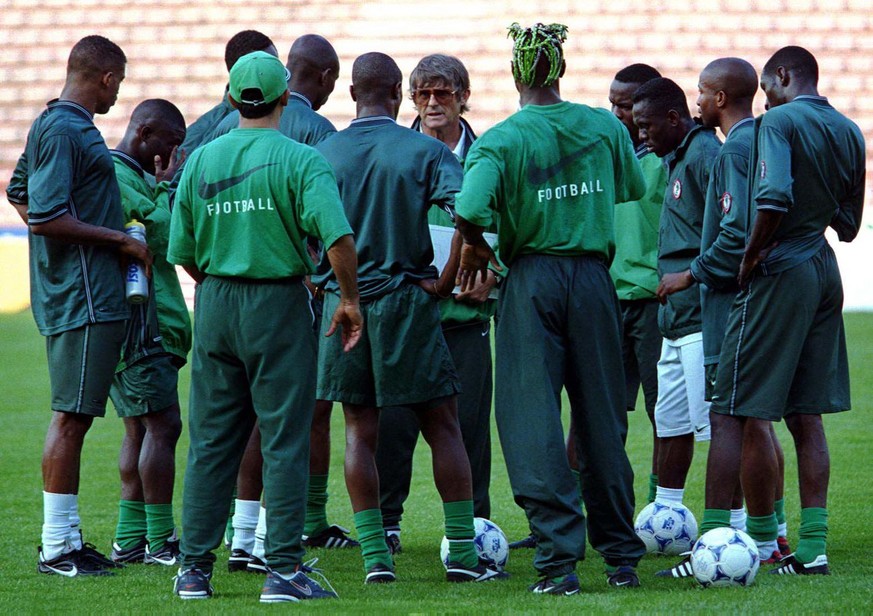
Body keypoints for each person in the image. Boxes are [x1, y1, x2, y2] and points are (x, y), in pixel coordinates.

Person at [454, 22, 647, 594]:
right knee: (602, 416)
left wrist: (483, 253)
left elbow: (468, 209)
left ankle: (559, 561)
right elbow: (627, 187)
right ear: (559, 68)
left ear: (516, 72)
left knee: (530, 417)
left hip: (531, 277)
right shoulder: (604, 126)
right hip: (593, 278)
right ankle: (621, 559)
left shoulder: (501, 139)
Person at [167, 51, 362, 602]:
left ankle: (193, 571)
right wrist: (349, 299)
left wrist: (217, 282)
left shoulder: (201, 161)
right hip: (277, 302)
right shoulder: (301, 158)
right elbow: (338, 239)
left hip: (215, 303)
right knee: (283, 437)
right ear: (284, 98)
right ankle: (282, 571)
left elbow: (182, 250)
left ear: (231, 99)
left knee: (209, 441)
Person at [314, 51, 505, 585]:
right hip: (407, 302)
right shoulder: (422, 150)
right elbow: (469, 211)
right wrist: (446, 281)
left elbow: (304, 235)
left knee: (359, 431)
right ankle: (464, 556)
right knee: (444, 425)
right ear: (399, 93)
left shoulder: (322, 154)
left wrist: (323, 281)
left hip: (344, 307)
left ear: (352, 94)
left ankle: (377, 558)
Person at [712, 46, 865, 576]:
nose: (764, 98)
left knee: (745, 408)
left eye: (767, 86)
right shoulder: (850, 130)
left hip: (782, 267)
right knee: (806, 416)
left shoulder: (776, 123)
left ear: (782, 77)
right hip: (825, 270)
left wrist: (752, 256)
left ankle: (756, 545)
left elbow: (773, 196)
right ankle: (814, 547)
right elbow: (849, 223)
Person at [6, 35, 152, 576]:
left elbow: (18, 191)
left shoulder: (52, 124)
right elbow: (43, 215)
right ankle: (56, 547)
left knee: (76, 416)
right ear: (107, 79)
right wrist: (118, 241)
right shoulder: (68, 129)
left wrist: (57, 257)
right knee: (70, 418)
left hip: (73, 289)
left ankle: (65, 539)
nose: (118, 94)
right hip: (86, 298)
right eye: (119, 84)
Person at [213, 34, 354, 578]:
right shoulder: (314, 135)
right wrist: (335, 288)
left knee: (222, 429)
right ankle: (286, 542)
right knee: (293, 423)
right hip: (291, 296)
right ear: (297, 84)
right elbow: (333, 225)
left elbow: (181, 224)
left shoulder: (211, 134)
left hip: (222, 298)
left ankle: (231, 542)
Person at [653, 58, 791, 578]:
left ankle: (713, 541)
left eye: (702, 93)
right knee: (756, 419)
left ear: (719, 98)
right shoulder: (764, 138)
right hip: (765, 296)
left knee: (728, 418)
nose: (697, 102)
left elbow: (736, 232)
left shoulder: (732, 148)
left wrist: (690, 275)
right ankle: (771, 535)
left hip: (729, 303)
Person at [375, 53, 497, 555]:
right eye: (421, 94)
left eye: (441, 93)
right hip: (407, 315)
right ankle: (385, 523)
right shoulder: (395, 152)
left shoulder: (490, 154)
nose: (431, 103)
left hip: (466, 319)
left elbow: (510, 223)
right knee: (392, 428)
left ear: (463, 95)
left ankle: (474, 529)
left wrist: (495, 274)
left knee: (469, 431)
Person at [104, 100, 190, 567]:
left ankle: (129, 539)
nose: (172, 156)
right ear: (146, 132)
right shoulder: (118, 178)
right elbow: (163, 236)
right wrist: (163, 189)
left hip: (145, 326)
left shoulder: (131, 178)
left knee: (139, 429)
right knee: (164, 426)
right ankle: (161, 541)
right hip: (142, 327)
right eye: (170, 145)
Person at [631, 77, 721, 518]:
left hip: (704, 317)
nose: (642, 136)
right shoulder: (675, 158)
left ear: (673, 118)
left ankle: (740, 529)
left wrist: (690, 276)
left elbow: (731, 234)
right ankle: (666, 517)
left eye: (646, 126)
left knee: (719, 430)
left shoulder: (707, 156)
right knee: (671, 424)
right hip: (674, 321)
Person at [179, 30, 278, 154]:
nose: (277, 73)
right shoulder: (202, 133)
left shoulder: (292, 114)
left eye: (277, 65)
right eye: (266, 69)